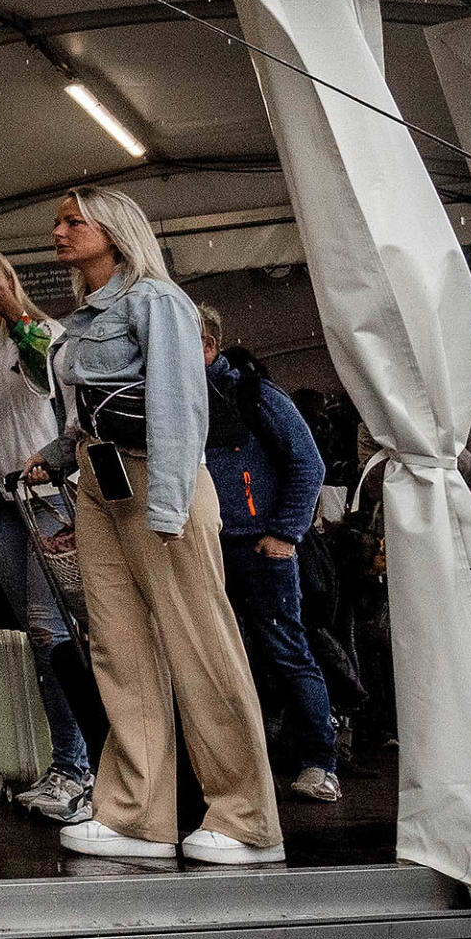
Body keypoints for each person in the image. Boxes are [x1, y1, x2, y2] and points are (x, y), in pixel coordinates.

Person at [33, 191, 283, 867]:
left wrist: (168, 506)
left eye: (72, 220)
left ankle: (247, 816)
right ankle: (137, 814)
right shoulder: (88, 314)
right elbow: (88, 411)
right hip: (99, 480)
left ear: (114, 231)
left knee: (201, 644)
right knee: (119, 647)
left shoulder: (158, 301)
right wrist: (58, 458)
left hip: (155, 477)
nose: (58, 231)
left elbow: (179, 406)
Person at [0, 245, 100, 825]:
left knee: (49, 629)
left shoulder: (40, 334)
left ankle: (79, 768)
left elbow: (45, 386)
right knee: (36, 636)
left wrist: (16, 315)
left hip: (48, 498)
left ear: (10, 279)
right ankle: (68, 764)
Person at [200, 307, 339, 803]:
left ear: (209, 344)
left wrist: (284, 534)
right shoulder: (180, 400)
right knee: (225, 658)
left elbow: (309, 462)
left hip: (258, 545)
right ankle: (247, 766)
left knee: (285, 651)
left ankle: (320, 762)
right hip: (210, 546)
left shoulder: (256, 394)